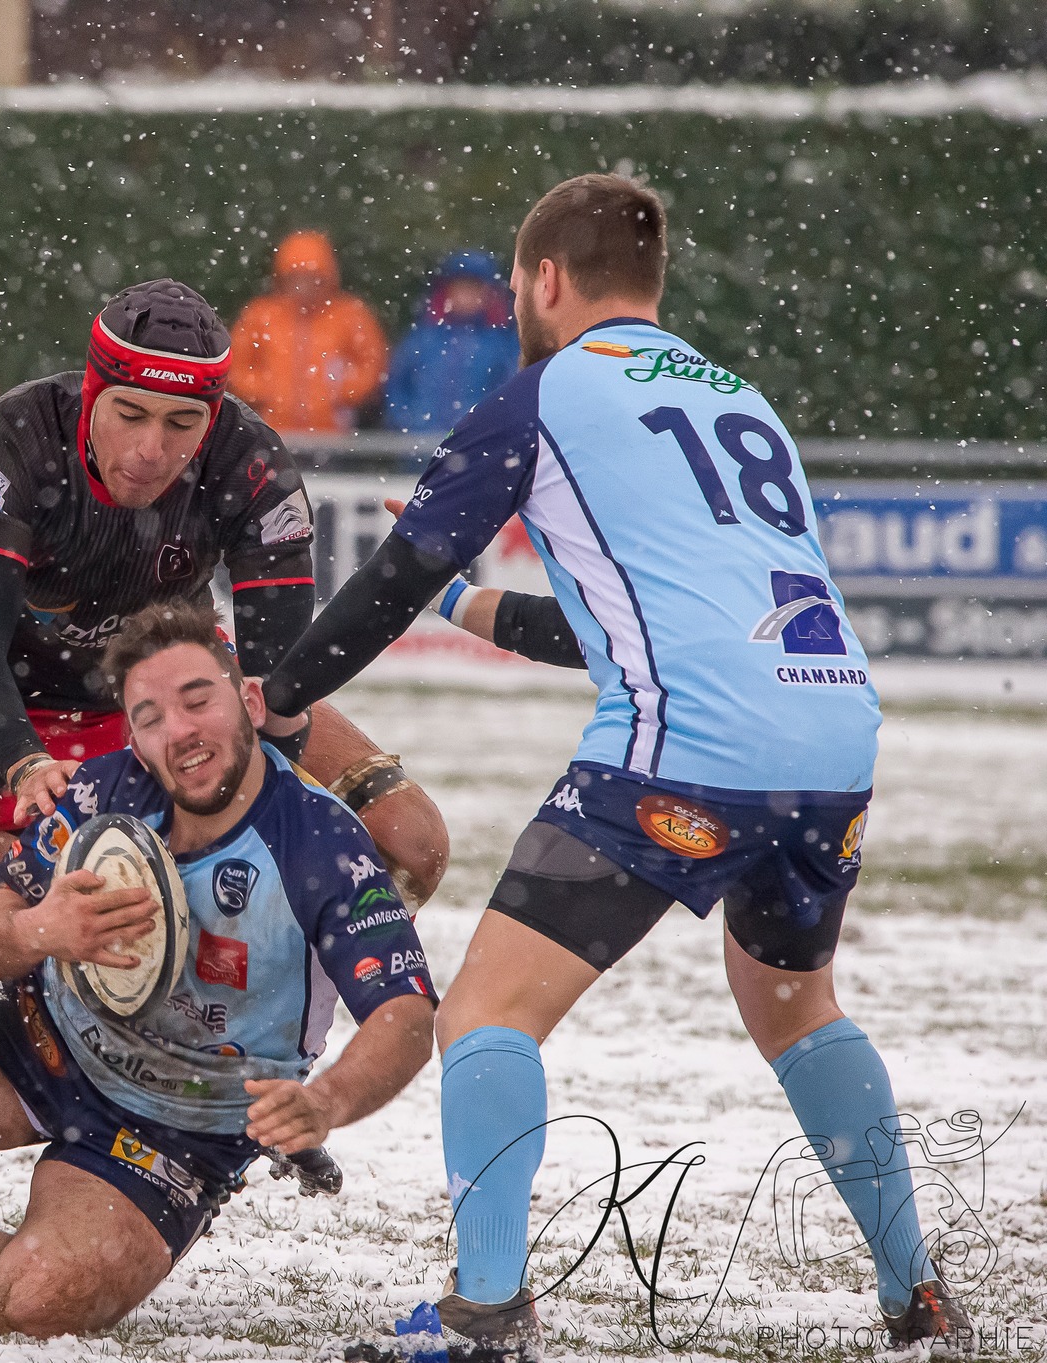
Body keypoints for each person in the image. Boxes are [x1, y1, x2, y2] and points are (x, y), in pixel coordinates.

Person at [258, 174, 969, 1358]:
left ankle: (485, 1310)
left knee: (485, 1012)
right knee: (794, 1006)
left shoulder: (542, 395)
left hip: (690, 749)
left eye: (518, 287)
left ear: (542, 280)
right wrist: (468, 606)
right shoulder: (738, 398)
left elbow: (390, 575)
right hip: (831, 734)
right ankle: (917, 1291)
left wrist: (280, 697)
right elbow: (634, 622)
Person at [0, 601, 438, 1338]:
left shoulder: (322, 843)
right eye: (150, 716)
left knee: (34, 1303)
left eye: (198, 701)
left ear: (249, 704)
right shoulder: (103, 790)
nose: (179, 732)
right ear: (134, 738)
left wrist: (327, 1103)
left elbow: (406, 1015)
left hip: (184, 1124)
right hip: (39, 1033)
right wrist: (38, 928)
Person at [0, 278, 448, 986]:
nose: (151, 450)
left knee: (408, 839)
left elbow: (277, 676)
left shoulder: (253, 464)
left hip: (170, 692)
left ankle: (254, 1001)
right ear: (90, 394)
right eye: (129, 414)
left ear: (212, 420)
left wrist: (264, 806)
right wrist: (24, 761)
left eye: (183, 424)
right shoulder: (12, 441)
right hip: (3, 701)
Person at [227, 230, 388, 434]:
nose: (303, 284)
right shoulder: (260, 315)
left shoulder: (349, 315)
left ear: (326, 277)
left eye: (312, 277)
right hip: (271, 431)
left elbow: (372, 363)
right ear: (283, 277)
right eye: (296, 277)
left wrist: (342, 392)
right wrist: (265, 391)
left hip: (333, 434)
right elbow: (236, 365)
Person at [383, 250, 520, 434]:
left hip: (475, 443)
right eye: (460, 287)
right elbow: (396, 386)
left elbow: (510, 394)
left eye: (473, 288)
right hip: (420, 443)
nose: (466, 295)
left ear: (489, 293)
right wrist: (408, 422)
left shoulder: (502, 345)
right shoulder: (422, 339)